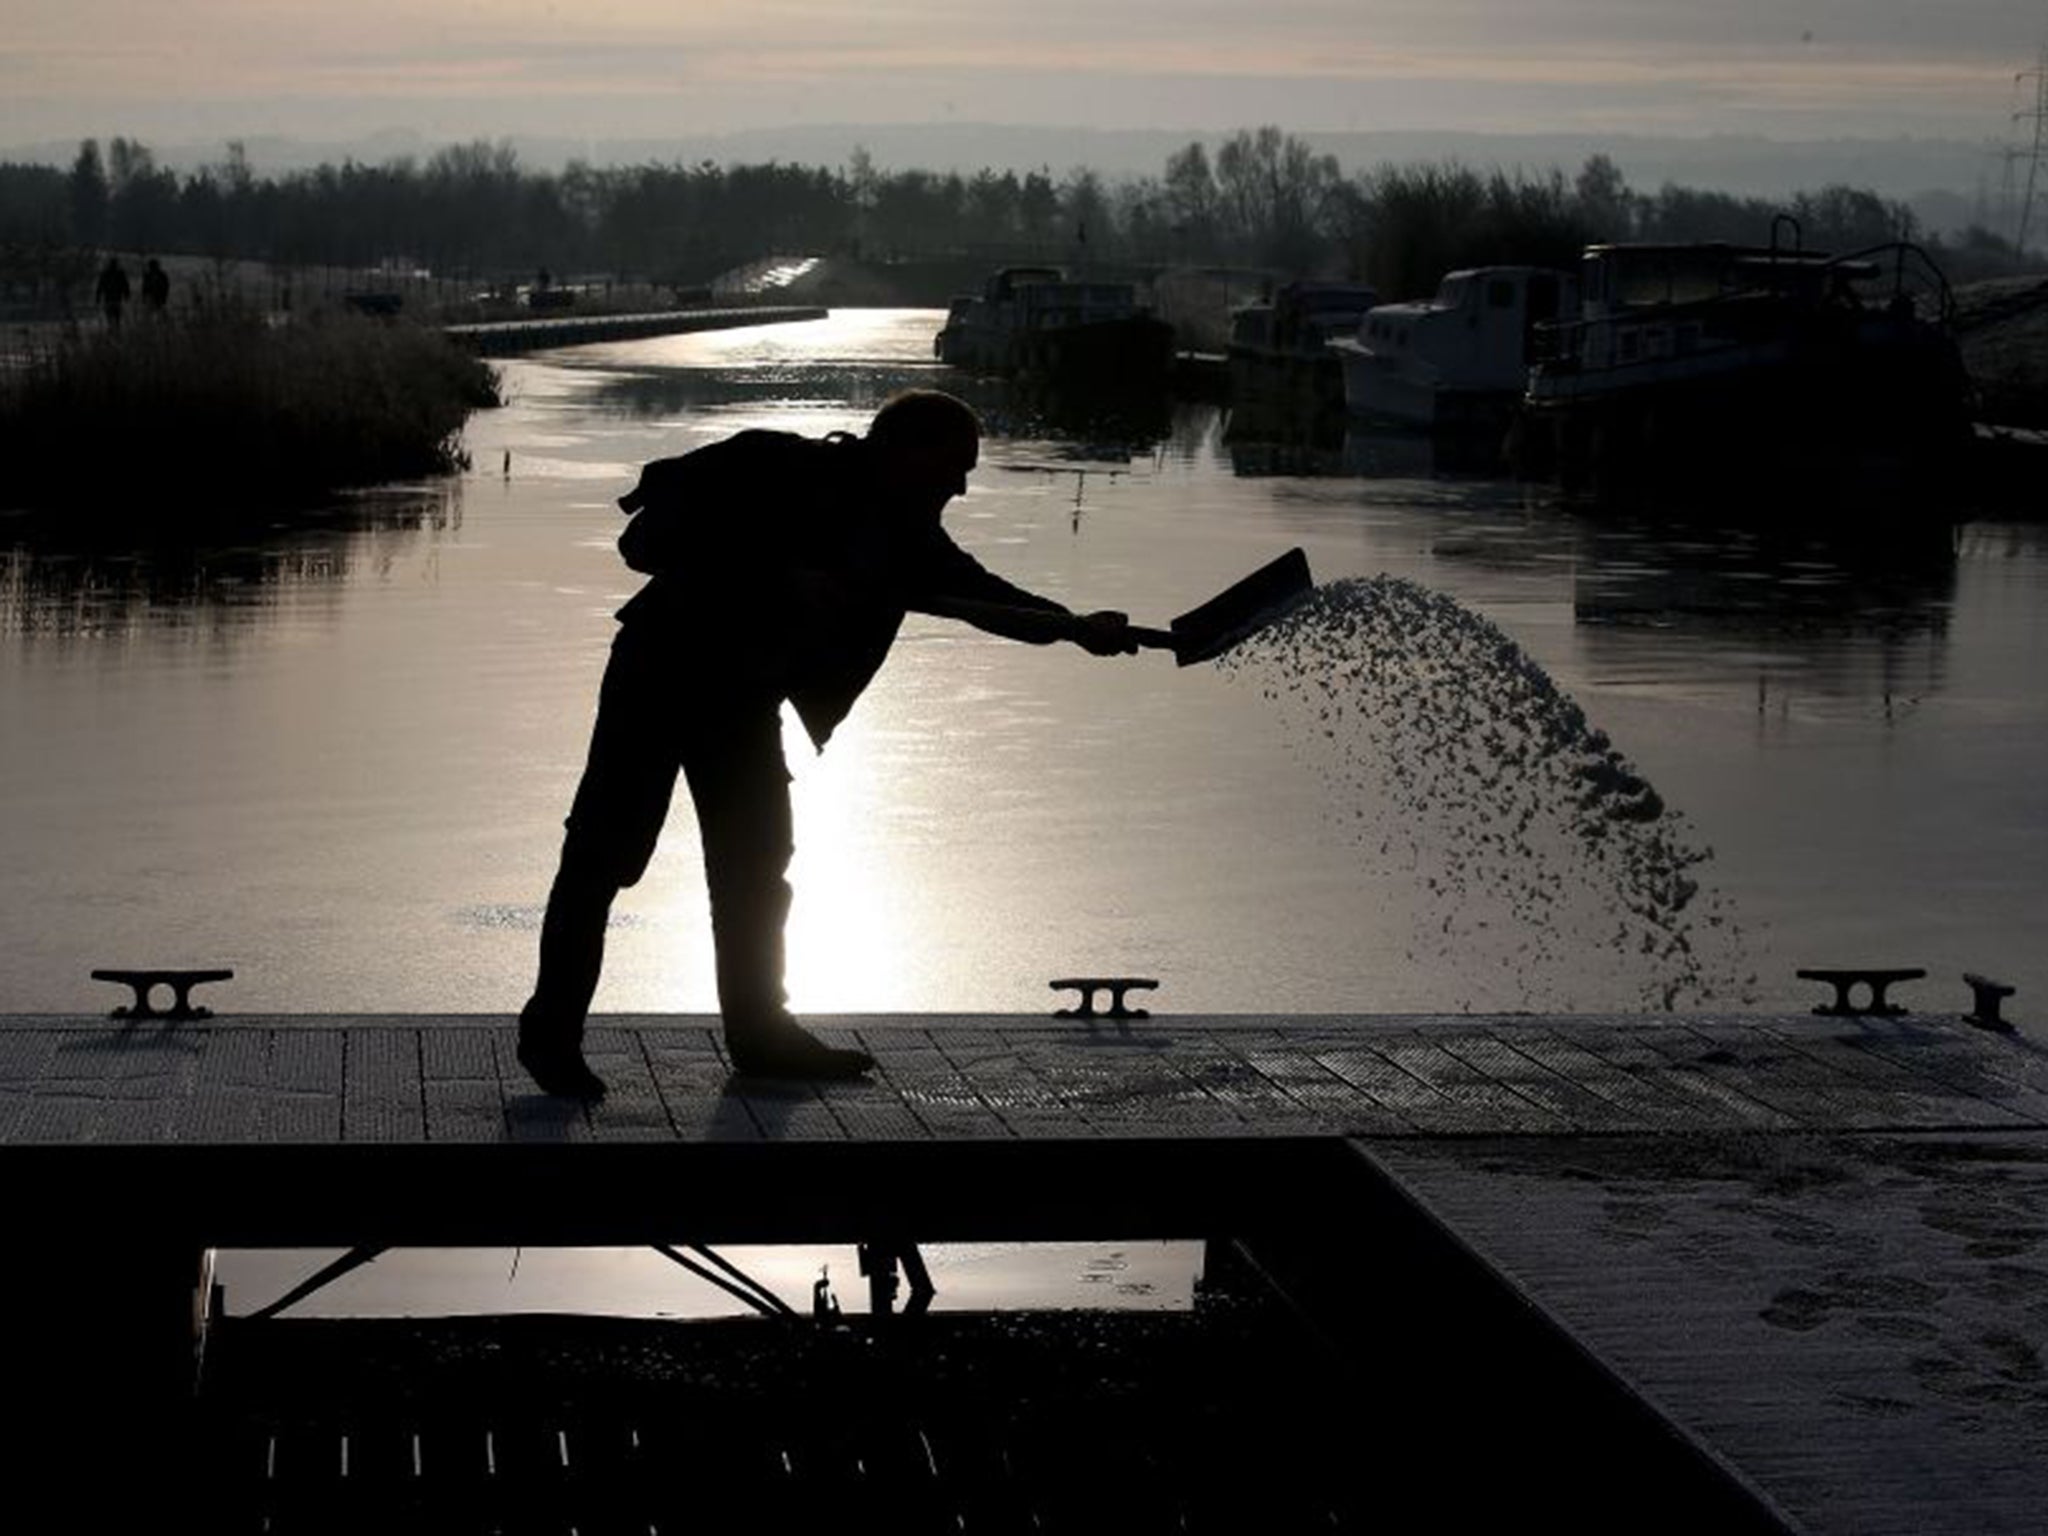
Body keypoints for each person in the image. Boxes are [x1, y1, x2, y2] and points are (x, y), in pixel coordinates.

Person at [517, 389, 1138, 1096]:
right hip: (660, 673)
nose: (961, 486)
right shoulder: (778, 468)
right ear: (907, 449)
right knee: (603, 856)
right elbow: (644, 545)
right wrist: (776, 578)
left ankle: (762, 1036)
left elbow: (980, 595)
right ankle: (551, 1037)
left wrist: (1074, 626)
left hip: (741, 701)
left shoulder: (904, 531)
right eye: (954, 467)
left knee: (756, 867)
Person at [94, 256, 130, 329]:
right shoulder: (120, 274)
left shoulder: (106, 274)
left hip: (109, 299)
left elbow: (100, 287)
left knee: (111, 318)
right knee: (116, 318)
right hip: (116, 299)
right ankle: (115, 330)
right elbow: (125, 286)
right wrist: (126, 296)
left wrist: (98, 298)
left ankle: (112, 331)